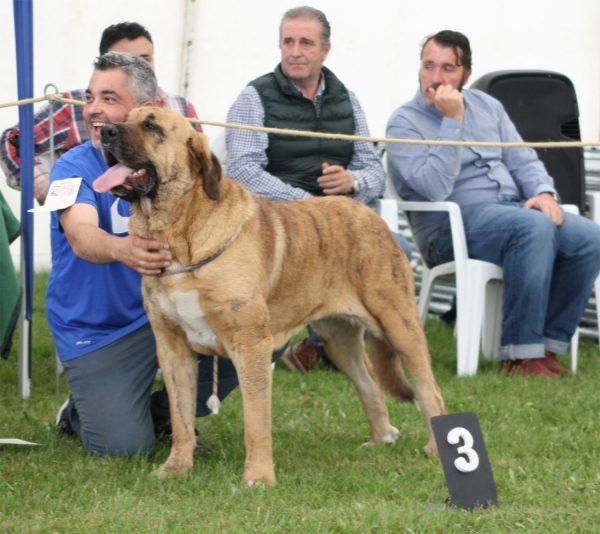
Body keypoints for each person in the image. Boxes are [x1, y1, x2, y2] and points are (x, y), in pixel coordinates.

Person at [48, 52, 239, 457]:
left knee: (259, 327)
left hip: (168, 314)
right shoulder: (68, 167)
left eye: (109, 99)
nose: (94, 110)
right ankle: (82, 411)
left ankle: (163, 412)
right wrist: (122, 248)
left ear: (144, 112)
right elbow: (81, 235)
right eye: (90, 98)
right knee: (124, 448)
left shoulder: (177, 166)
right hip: (99, 334)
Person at [386, 30, 600, 379]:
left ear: (466, 75)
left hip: (511, 212)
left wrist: (545, 193)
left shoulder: (489, 107)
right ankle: (519, 356)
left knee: (589, 238)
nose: (436, 78)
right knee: (533, 226)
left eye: (447, 68)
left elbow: (523, 160)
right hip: (448, 230)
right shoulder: (404, 122)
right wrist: (451, 122)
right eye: (428, 66)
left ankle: (545, 347)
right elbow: (434, 189)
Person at [226, 6, 411, 372]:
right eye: (288, 41)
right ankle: (319, 343)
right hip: (275, 228)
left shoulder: (347, 98)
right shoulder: (254, 96)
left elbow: (374, 168)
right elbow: (243, 171)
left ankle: (370, 344)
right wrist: (310, 206)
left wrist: (353, 181)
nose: (295, 51)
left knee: (399, 249)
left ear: (325, 50)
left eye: (306, 43)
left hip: (340, 225)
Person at [0, 22, 202, 206]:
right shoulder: (75, 107)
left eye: (145, 59)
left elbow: (198, 169)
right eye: (126, 61)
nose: (140, 67)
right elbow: (13, 140)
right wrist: (42, 186)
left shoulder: (181, 108)